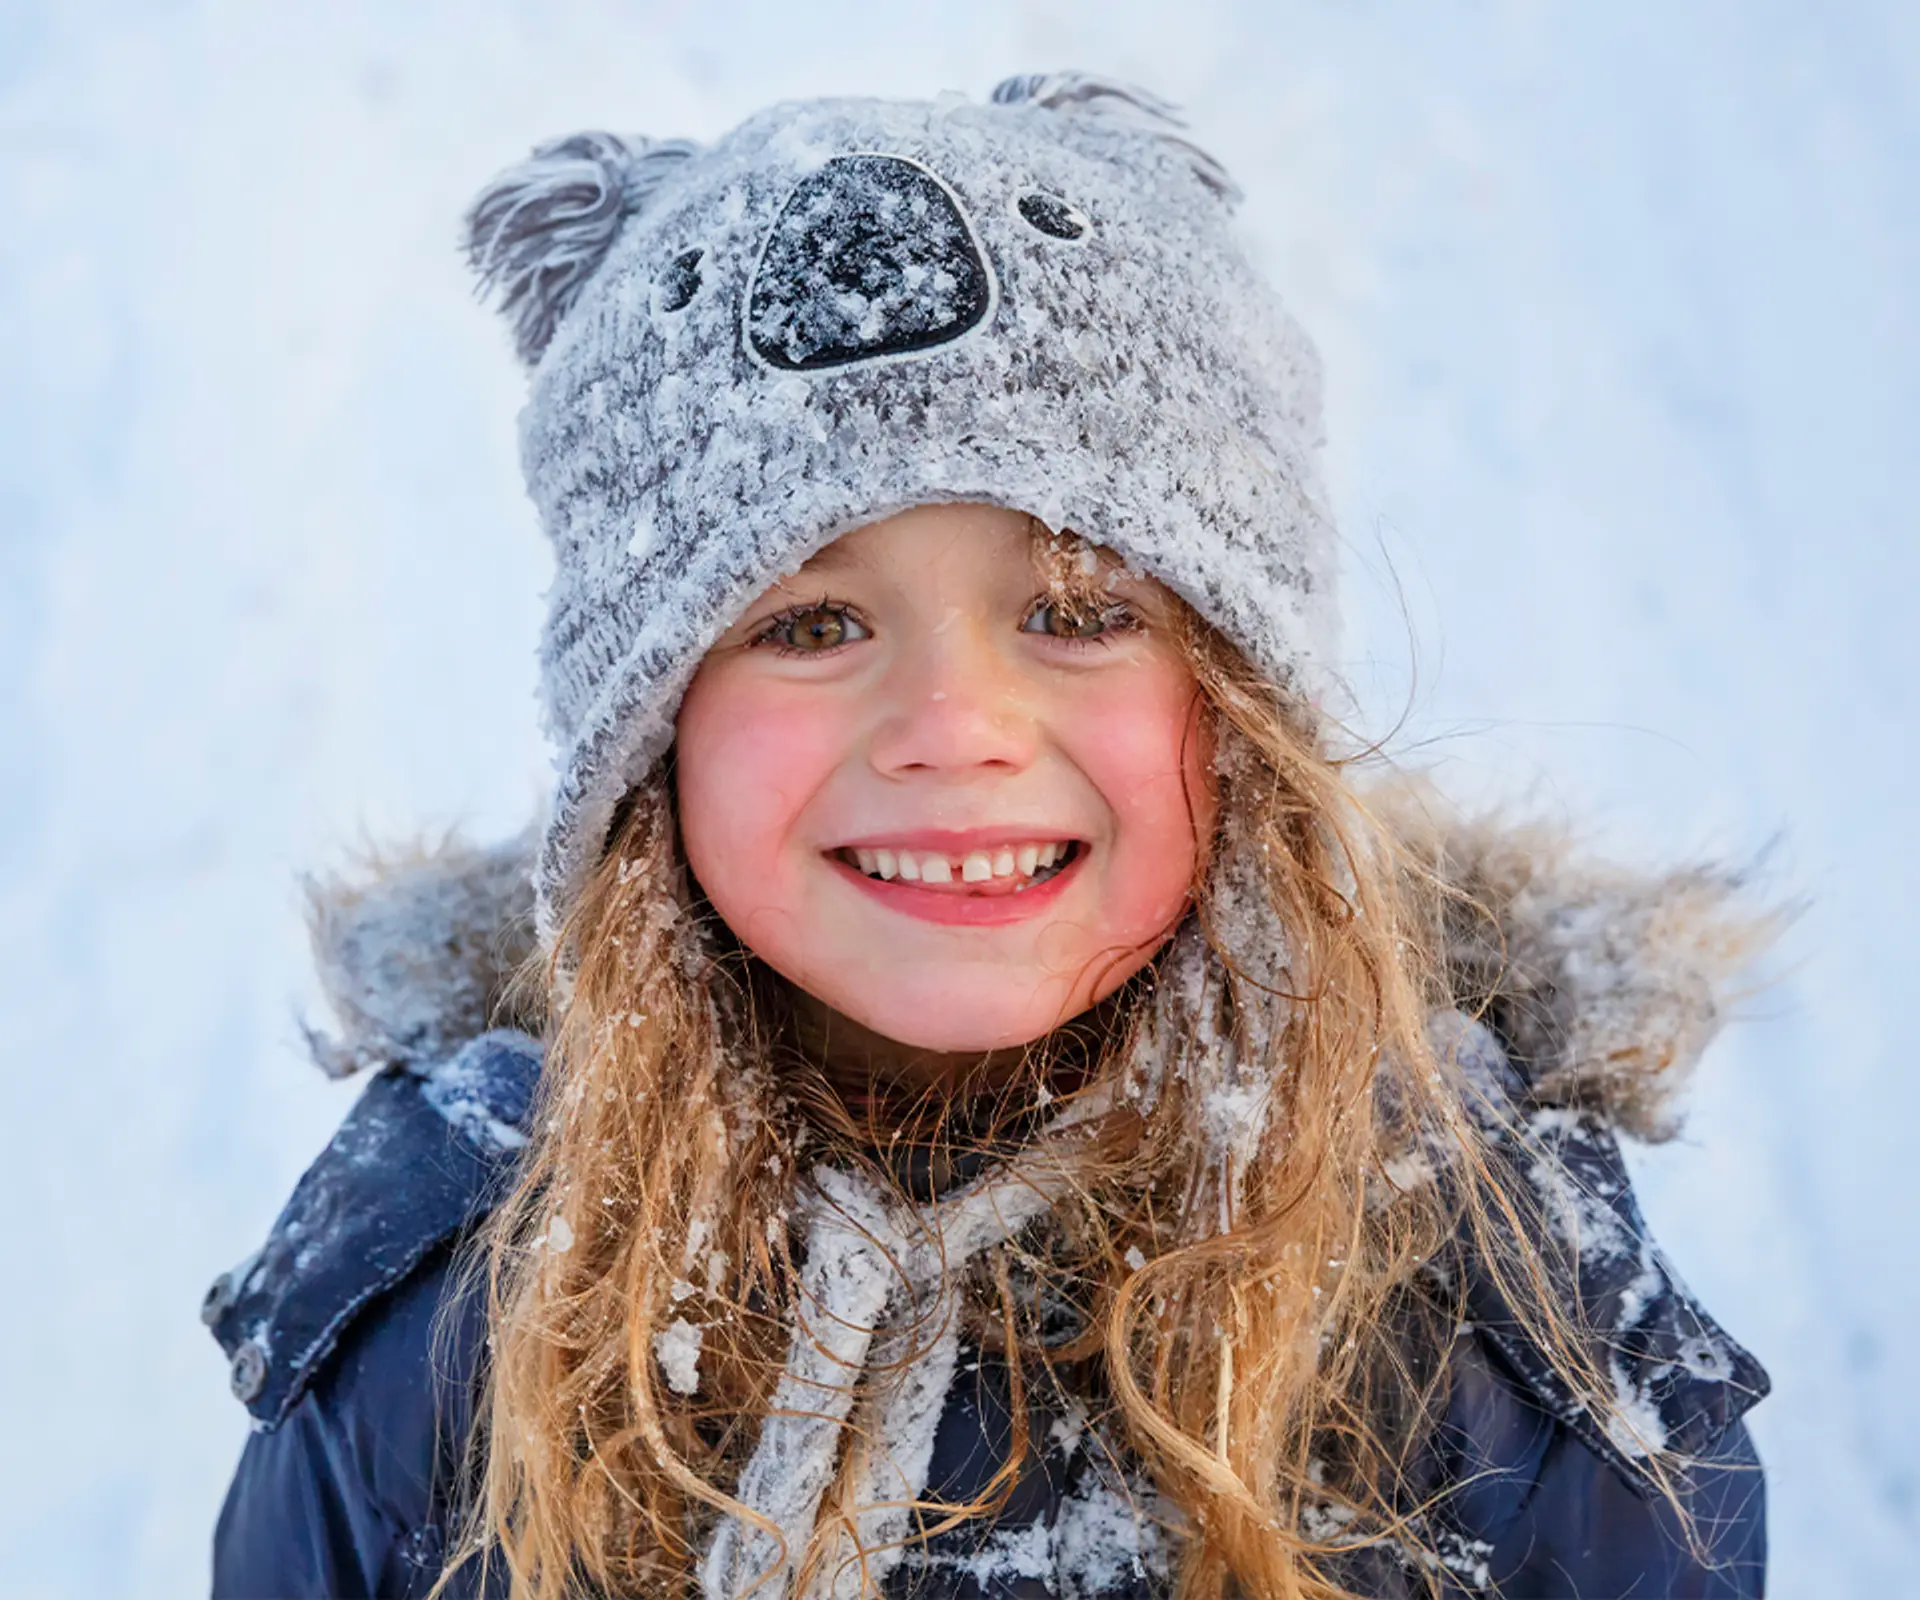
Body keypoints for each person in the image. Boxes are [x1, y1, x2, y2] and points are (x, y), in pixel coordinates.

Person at [206, 75, 1772, 1599]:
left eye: (1078, 612)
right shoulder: (453, 1313)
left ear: (1245, 714)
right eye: (811, 621)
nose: (955, 721)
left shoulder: (1510, 1329)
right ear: (647, 734)